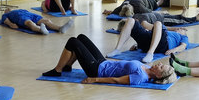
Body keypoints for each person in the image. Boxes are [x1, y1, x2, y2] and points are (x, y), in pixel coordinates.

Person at [43, 34, 175, 85]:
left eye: (161, 67)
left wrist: (93, 79)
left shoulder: (140, 77)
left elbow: (115, 80)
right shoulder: (145, 68)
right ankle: (68, 65)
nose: (159, 64)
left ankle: (58, 70)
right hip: (104, 63)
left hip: (97, 70)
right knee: (81, 37)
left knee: (73, 42)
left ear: (158, 75)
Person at [109, 17, 189, 64]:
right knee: (130, 20)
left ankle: (150, 54)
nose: (180, 28)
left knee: (158, 23)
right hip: (148, 40)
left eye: (182, 29)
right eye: (179, 28)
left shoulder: (183, 37)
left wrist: (173, 50)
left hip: (163, 45)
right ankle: (117, 49)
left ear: (184, 33)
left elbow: (183, 46)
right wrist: (137, 46)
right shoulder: (169, 32)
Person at [1, 7, 72, 35]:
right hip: (20, 17)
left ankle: (60, 28)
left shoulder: (20, 9)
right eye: (6, 9)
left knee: (46, 20)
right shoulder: (6, 15)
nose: (8, 8)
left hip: (32, 15)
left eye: (8, 8)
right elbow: (7, 22)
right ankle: (41, 30)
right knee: (29, 23)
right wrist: (11, 24)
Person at [102, 0, 171, 15]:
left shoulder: (139, 8)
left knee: (155, 4)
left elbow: (151, 12)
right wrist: (107, 12)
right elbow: (114, 11)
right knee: (154, 3)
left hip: (144, 0)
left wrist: (163, 12)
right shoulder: (125, 5)